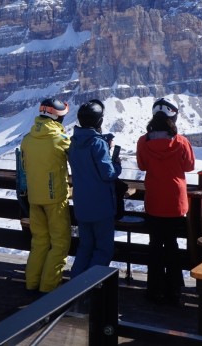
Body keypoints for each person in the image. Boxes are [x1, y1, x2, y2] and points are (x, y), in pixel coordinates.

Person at [136, 98, 195, 305]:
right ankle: (174, 290)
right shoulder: (181, 142)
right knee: (172, 244)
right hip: (175, 202)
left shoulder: (143, 141)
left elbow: (142, 166)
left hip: (154, 199)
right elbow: (189, 166)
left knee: (155, 244)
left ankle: (154, 289)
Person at [20, 98, 72, 294]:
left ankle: (31, 283)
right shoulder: (60, 140)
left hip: (34, 198)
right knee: (60, 244)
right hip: (55, 199)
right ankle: (48, 288)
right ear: (57, 118)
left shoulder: (27, 138)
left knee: (39, 242)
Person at [67, 99, 121, 277]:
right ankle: (90, 285)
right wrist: (116, 163)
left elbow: (87, 158)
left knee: (85, 247)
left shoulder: (74, 142)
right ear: (99, 120)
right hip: (101, 206)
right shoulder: (97, 143)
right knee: (103, 249)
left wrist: (103, 142)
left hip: (82, 205)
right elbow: (108, 174)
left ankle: (75, 285)